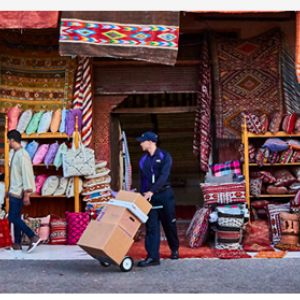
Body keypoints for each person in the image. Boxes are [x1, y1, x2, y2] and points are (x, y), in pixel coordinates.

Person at [136, 131, 179, 267]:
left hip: (165, 195)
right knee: (151, 227)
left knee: (169, 224)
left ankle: (174, 249)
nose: (140, 144)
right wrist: (144, 194)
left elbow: (164, 175)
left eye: (142, 141)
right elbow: (142, 179)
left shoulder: (165, 156)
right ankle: (153, 257)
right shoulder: (143, 160)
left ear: (150, 142)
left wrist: (152, 191)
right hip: (150, 198)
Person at [5, 129, 40, 253]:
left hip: (19, 192)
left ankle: (32, 236)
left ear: (12, 140)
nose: (8, 142)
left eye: (8, 140)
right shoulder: (16, 153)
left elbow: (26, 175)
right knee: (15, 217)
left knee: (13, 217)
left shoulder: (23, 155)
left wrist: (26, 194)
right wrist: (8, 190)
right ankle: (17, 244)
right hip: (14, 191)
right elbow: (15, 174)